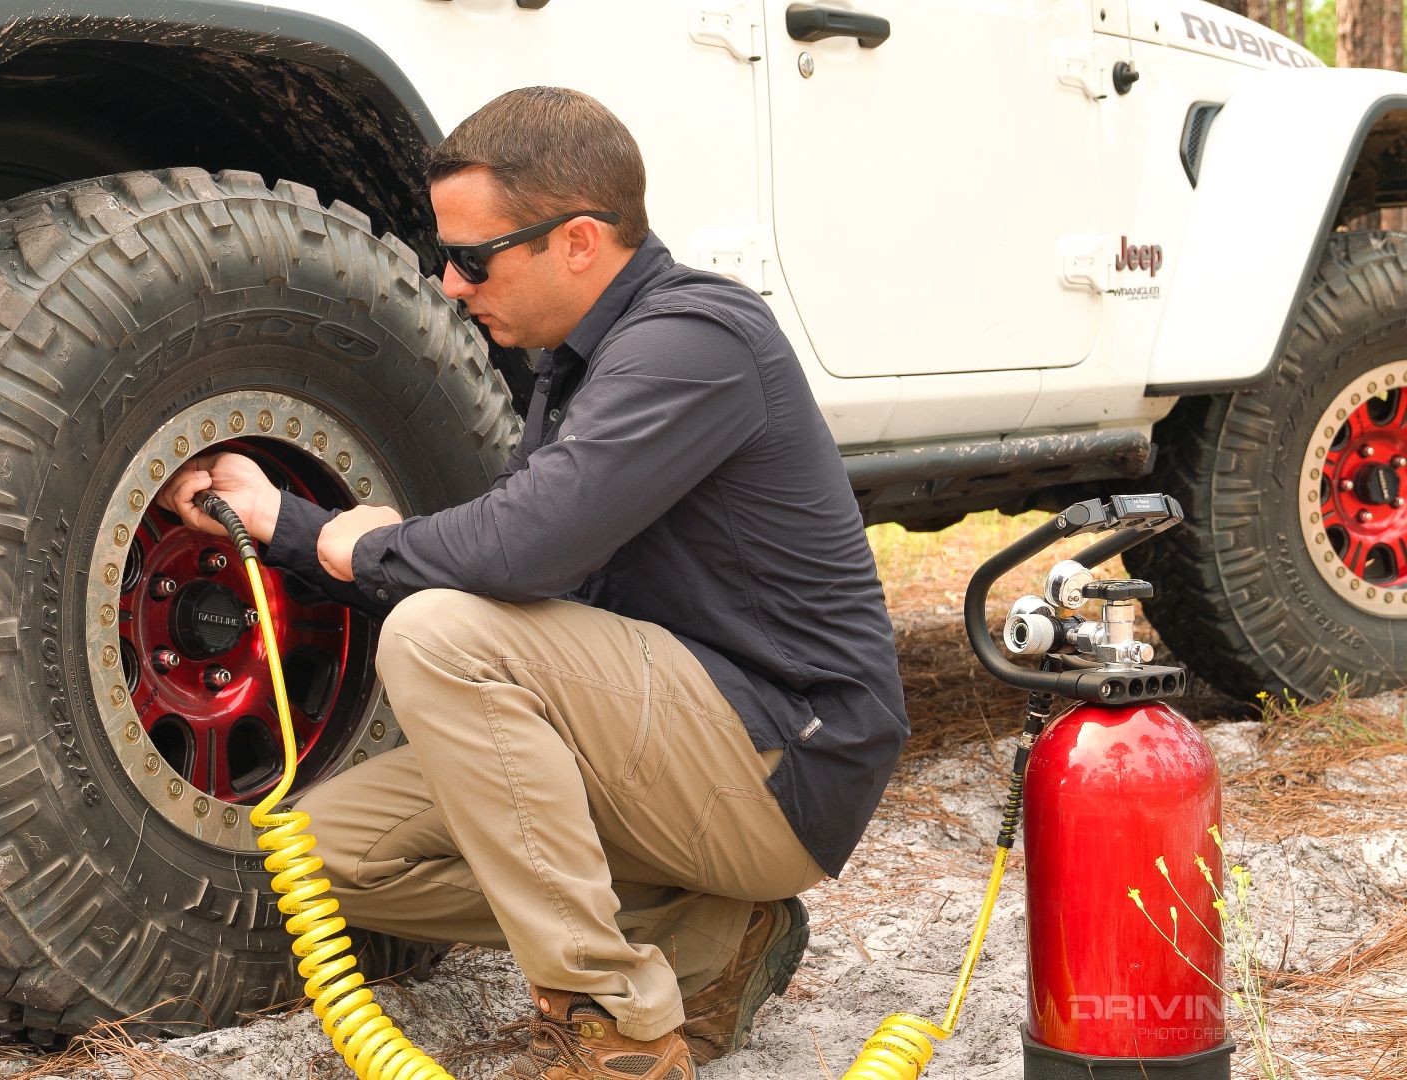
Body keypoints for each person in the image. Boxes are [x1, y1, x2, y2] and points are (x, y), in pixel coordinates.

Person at [157, 87, 907, 1080]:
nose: (450, 284)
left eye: (474, 258)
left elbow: (514, 555)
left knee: (437, 634)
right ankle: (714, 938)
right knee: (326, 854)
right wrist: (285, 526)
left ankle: (616, 1027)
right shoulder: (579, 366)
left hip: (781, 759)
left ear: (579, 241)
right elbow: (504, 564)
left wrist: (334, 535)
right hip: (659, 743)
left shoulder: (697, 341)